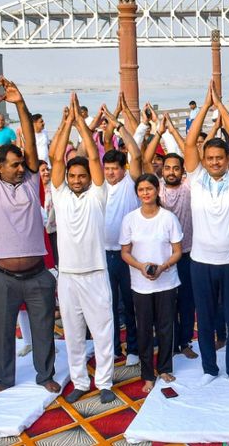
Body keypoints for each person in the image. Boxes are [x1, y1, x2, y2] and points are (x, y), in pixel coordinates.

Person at [0, 77, 60, 397]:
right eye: (13, 165)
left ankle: (45, 374)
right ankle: (5, 378)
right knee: (2, 330)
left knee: (43, 329)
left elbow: (32, 146)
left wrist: (19, 104)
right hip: (1, 275)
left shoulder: (29, 181)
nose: (20, 168)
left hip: (37, 273)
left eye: (21, 164)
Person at [48, 96, 117, 404]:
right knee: (73, 335)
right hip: (68, 276)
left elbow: (93, 158)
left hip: (95, 273)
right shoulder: (60, 195)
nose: (76, 180)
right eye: (72, 177)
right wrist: (67, 124)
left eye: (81, 177)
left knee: (103, 332)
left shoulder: (97, 196)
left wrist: (83, 128)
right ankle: (79, 380)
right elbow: (58, 161)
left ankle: (103, 382)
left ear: (90, 179)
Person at [185, 83, 229, 387]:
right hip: (201, 262)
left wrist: (220, 105)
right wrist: (204, 110)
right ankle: (210, 369)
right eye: (209, 158)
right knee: (206, 318)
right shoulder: (196, 179)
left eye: (218, 158)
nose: (214, 162)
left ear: (226, 160)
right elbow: (188, 146)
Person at [120, 173, 183, 393]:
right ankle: (147, 374)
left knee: (166, 327)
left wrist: (162, 267)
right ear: (137, 193)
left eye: (149, 189)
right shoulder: (130, 219)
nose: (146, 193)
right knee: (144, 329)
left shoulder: (168, 218)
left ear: (157, 190)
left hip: (166, 282)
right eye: (141, 190)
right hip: (140, 284)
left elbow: (177, 251)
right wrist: (141, 266)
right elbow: (125, 252)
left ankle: (164, 367)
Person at [143, 115, 199, 360]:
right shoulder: (157, 189)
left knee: (186, 302)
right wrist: (158, 131)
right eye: (167, 168)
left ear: (182, 170)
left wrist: (174, 131)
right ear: (162, 170)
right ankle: (168, 341)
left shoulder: (189, 186)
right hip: (162, 257)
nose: (172, 171)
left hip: (187, 255)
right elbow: (145, 160)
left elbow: (190, 152)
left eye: (176, 168)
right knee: (163, 305)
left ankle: (185, 341)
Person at [97, 106, 143, 367]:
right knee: (108, 306)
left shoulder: (131, 184)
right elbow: (87, 155)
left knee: (130, 303)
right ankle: (113, 348)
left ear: (123, 169)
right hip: (103, 253)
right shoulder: (99, 185)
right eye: (108, 168)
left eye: (115, 168)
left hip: (129, 255)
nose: (111, 172)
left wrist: (117, 125)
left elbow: (135, 152)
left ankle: (134, 348)